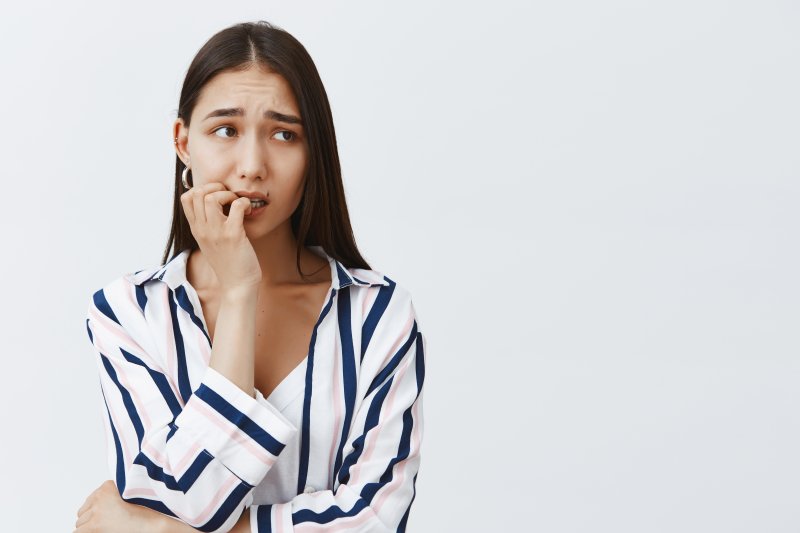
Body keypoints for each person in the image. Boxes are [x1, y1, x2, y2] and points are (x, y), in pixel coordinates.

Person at [74, 20, 426, 533]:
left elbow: (373, 520)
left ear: (313, 154)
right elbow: (188, 499)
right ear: (182, 142)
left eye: (285, 134)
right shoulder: (128, 312)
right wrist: (240, 292)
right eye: (226, 130)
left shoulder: (378, 315)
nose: (253, 165)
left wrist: (155, 531)